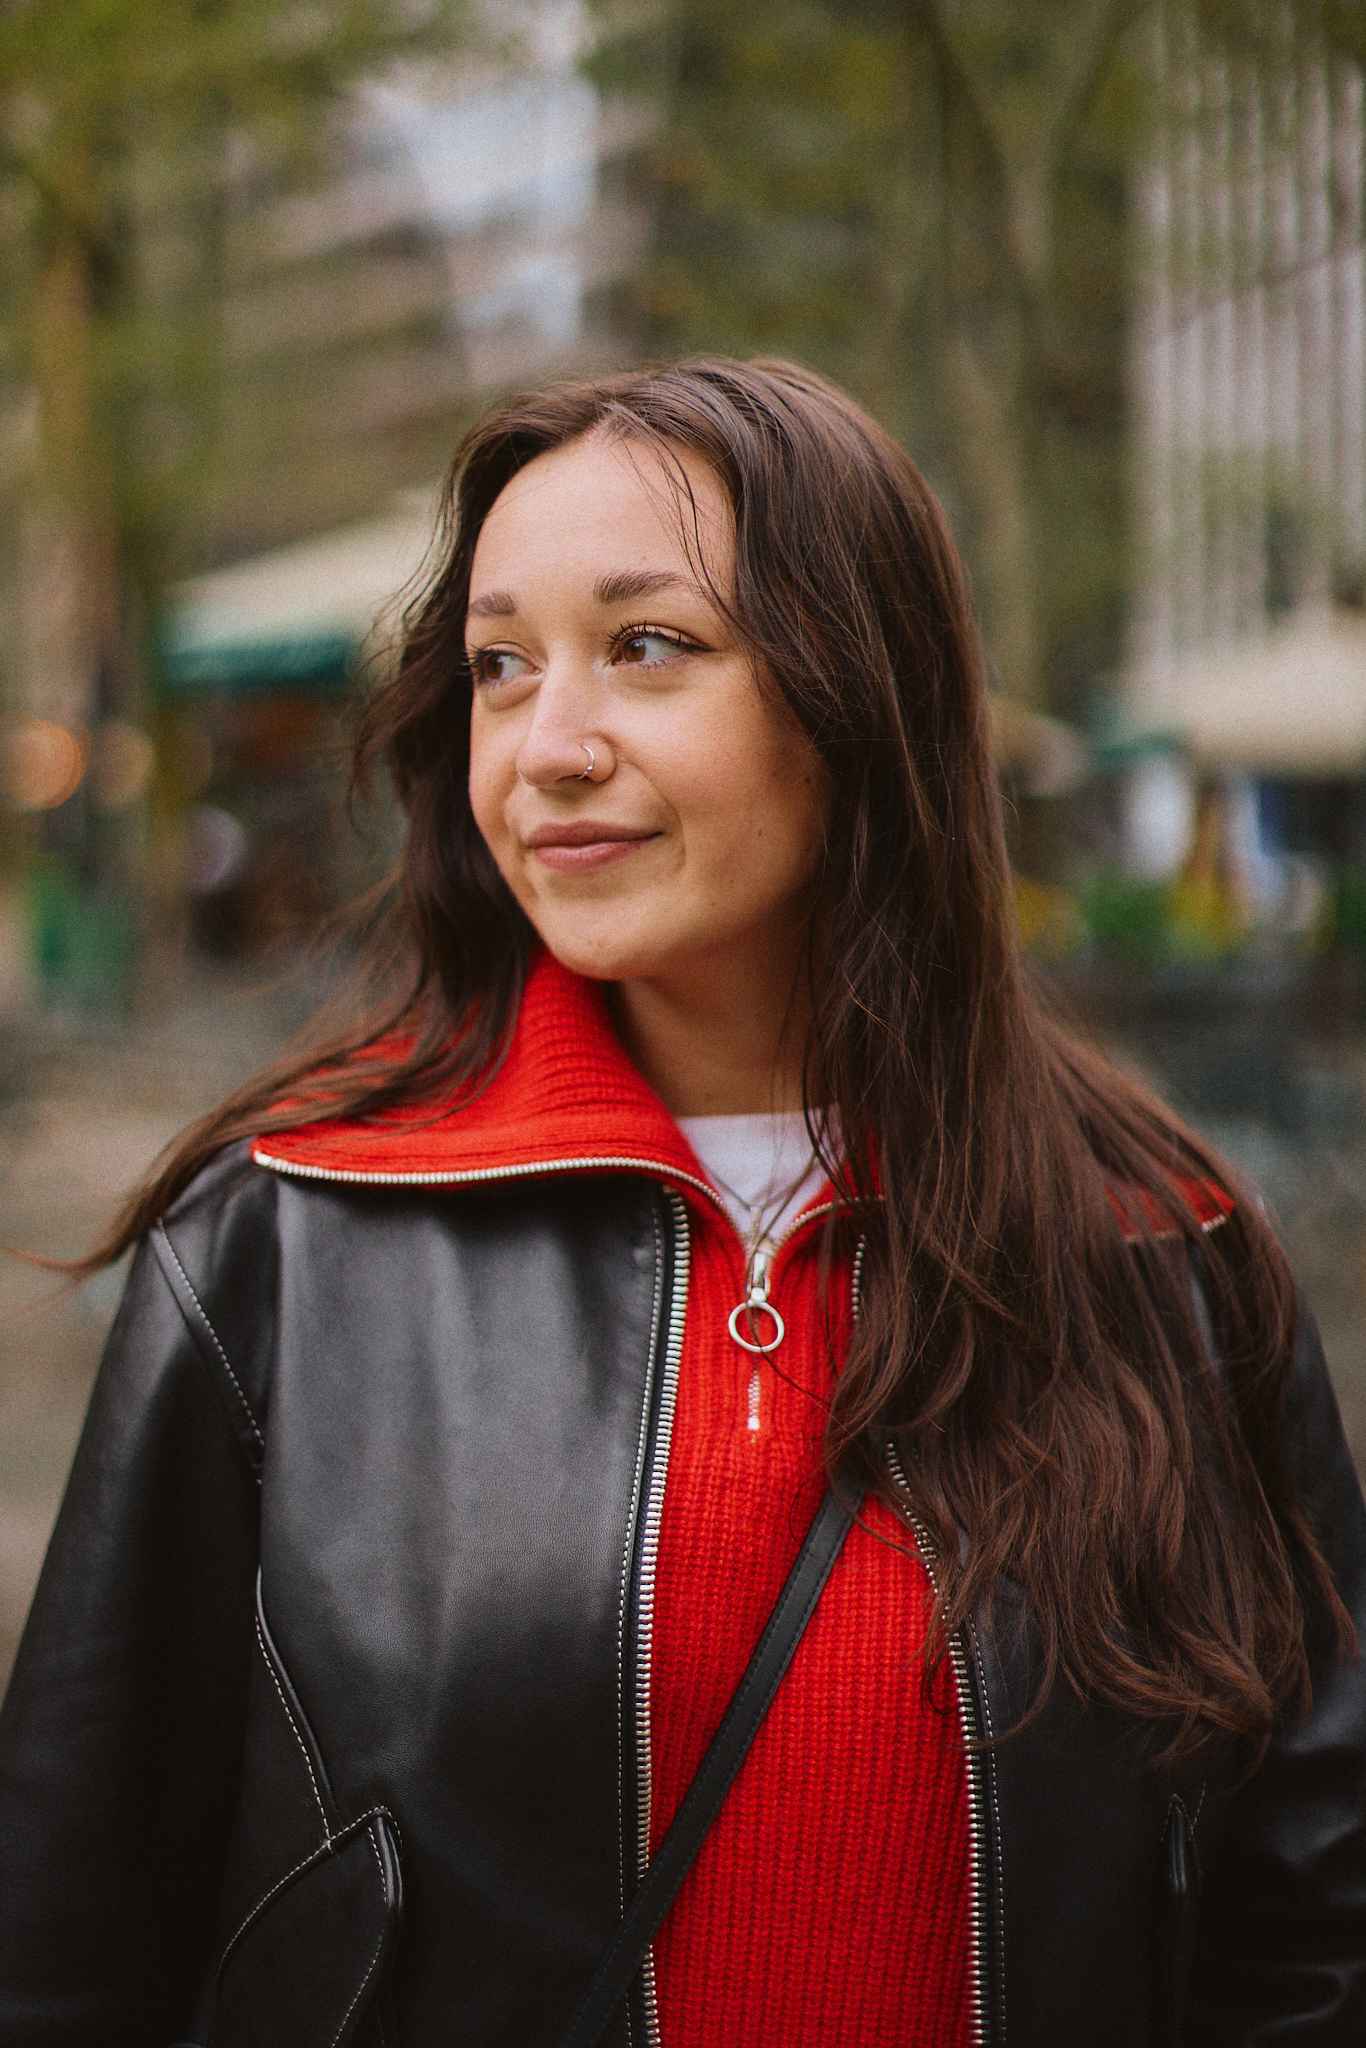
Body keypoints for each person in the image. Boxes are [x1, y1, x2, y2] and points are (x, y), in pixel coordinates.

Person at [1, 359, 1363, 2048]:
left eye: (648, 647)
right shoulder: (288, 1235)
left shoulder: (1162, 1249)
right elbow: (69, 1934)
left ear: (859, 690)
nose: (549, 747)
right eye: (501, 667)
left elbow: (1304, 1928)